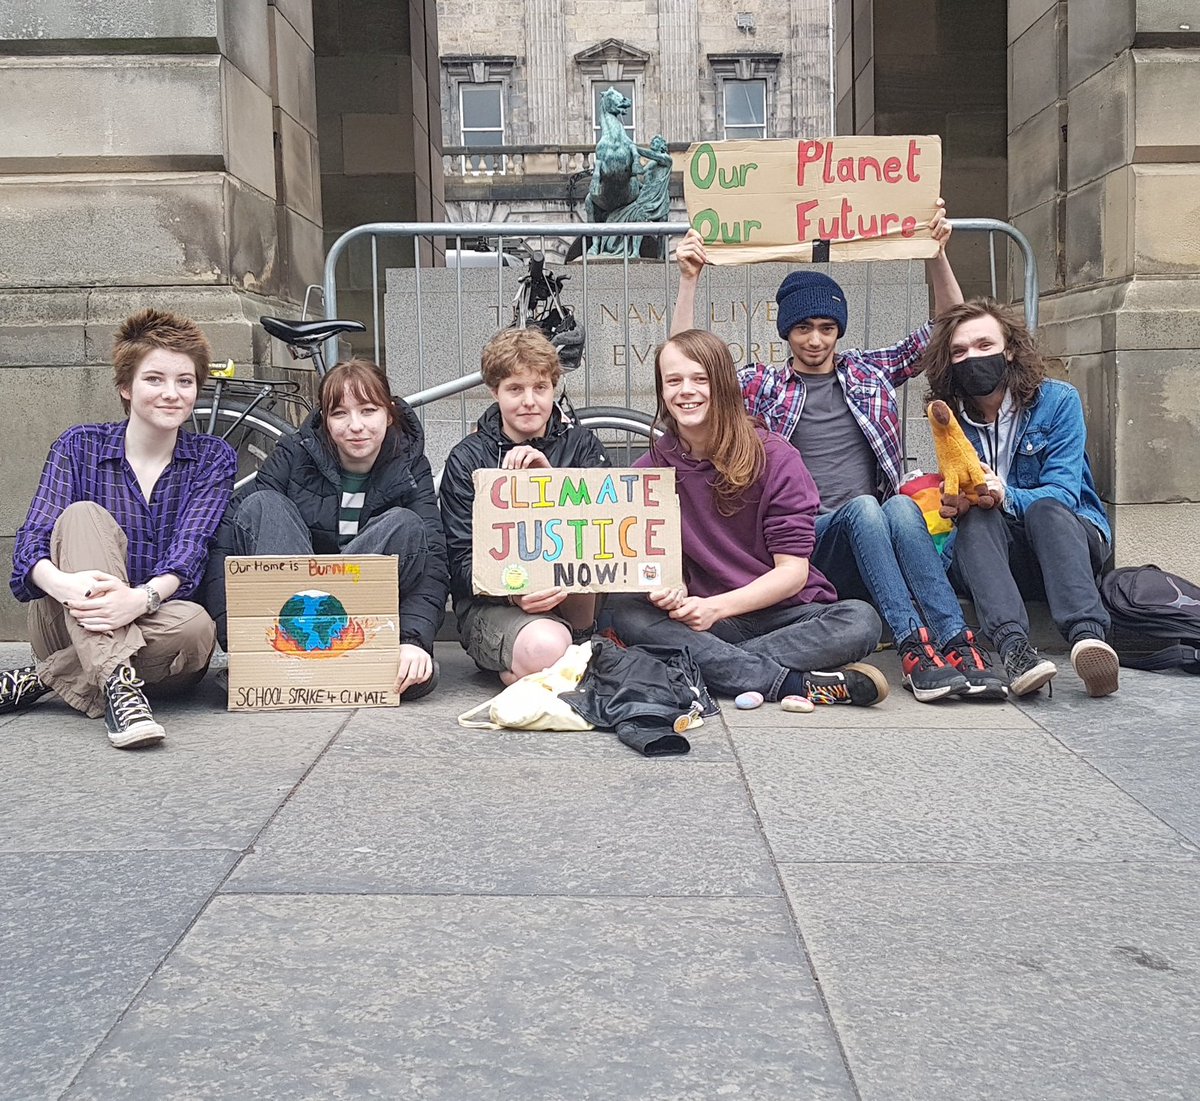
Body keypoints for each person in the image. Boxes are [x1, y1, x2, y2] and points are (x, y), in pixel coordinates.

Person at [670, 201, 1007, 703]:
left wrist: (936, 252)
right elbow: (688, 360)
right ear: (787, 331)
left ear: (839, 331)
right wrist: (689, 279)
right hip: (805, 542)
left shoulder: (869, 373)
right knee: (868, 508)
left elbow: (946, 328)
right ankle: (914, 649)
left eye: (826, 328)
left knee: (894, 504)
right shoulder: (763, 384)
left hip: (874, 533)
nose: (814, 339)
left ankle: (955, 641)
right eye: (804, 328)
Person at [609, 328, 887, 706]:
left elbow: (792, 574)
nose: (685, 390)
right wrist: (666, 588)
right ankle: (792, 684)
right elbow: (642, 562)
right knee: (624, 610)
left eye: (699, 379)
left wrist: (715, 608)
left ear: (723, 384)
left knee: (861, 621)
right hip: (702, 620)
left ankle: (694, 671)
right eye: (673, 381)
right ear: (662, 392)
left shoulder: (776, 457)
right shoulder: (649, 470)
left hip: (784, 614)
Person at [2, 309, 236, 747]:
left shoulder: (212, 457)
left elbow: (190, 550)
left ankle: (42, 679)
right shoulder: (79, 446)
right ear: (126, 388)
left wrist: (138, 599)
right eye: (155, 379)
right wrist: (65, 586)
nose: (172, 394)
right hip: (68, 614)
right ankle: (121, 688)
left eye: (185, 381)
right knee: (81, 515)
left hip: (159, 621)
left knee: (197, 627)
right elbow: (30, 543)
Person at [202, 359, 449, 699]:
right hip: (294, 612)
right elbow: (229, 538)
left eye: (368, 410)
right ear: (325, 421)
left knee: (407, 526)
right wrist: (240, 640)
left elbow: (433, 559)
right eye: (340, 414)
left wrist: (413, 642)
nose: (356, 426)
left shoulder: (409, 464)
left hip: (357, 619)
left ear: (389, 414)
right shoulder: (295, 452)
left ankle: (335, 665)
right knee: (262, 505)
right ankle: (292, 661)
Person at [922, 298, 1119, 698]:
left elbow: (1064, 493)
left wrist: (1004, 494)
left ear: (1009, 349)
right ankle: (1014, 650)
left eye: (984, 346)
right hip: (1000, 554)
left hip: (1066, 539)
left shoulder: (1058, 401)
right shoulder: (951, 416)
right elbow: (965, 491)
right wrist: (962, 503)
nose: (971, 358)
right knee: (975, 520)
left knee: (1046, 509)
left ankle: (1088, 639)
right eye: (959, 351)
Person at [439, 327, 610, 684]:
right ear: (494, 391)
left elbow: (607, 534)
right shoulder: (467, 458)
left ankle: (542, 667)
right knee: (549, 647)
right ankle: (549, 664)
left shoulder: (581, 445)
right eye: (515, 389)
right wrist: (513, 595)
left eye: (540, 388)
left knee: (562, 641)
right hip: (496, 607)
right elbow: (458, 560)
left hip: (577, 605)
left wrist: (552, 485)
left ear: (554, 389)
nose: (529, 401)